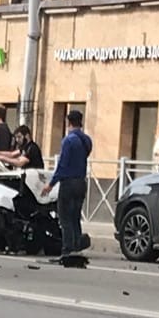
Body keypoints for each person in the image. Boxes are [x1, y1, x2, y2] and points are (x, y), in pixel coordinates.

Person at [49, 107, 92, 268]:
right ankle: (76, 247)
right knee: (75, 217)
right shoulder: (87, 140)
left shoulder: (68, 140)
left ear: (68, 122)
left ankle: (67, 250)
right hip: (81, 182)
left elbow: (63, 165)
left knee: (65, 218)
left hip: (68, 183)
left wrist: (51, 183)